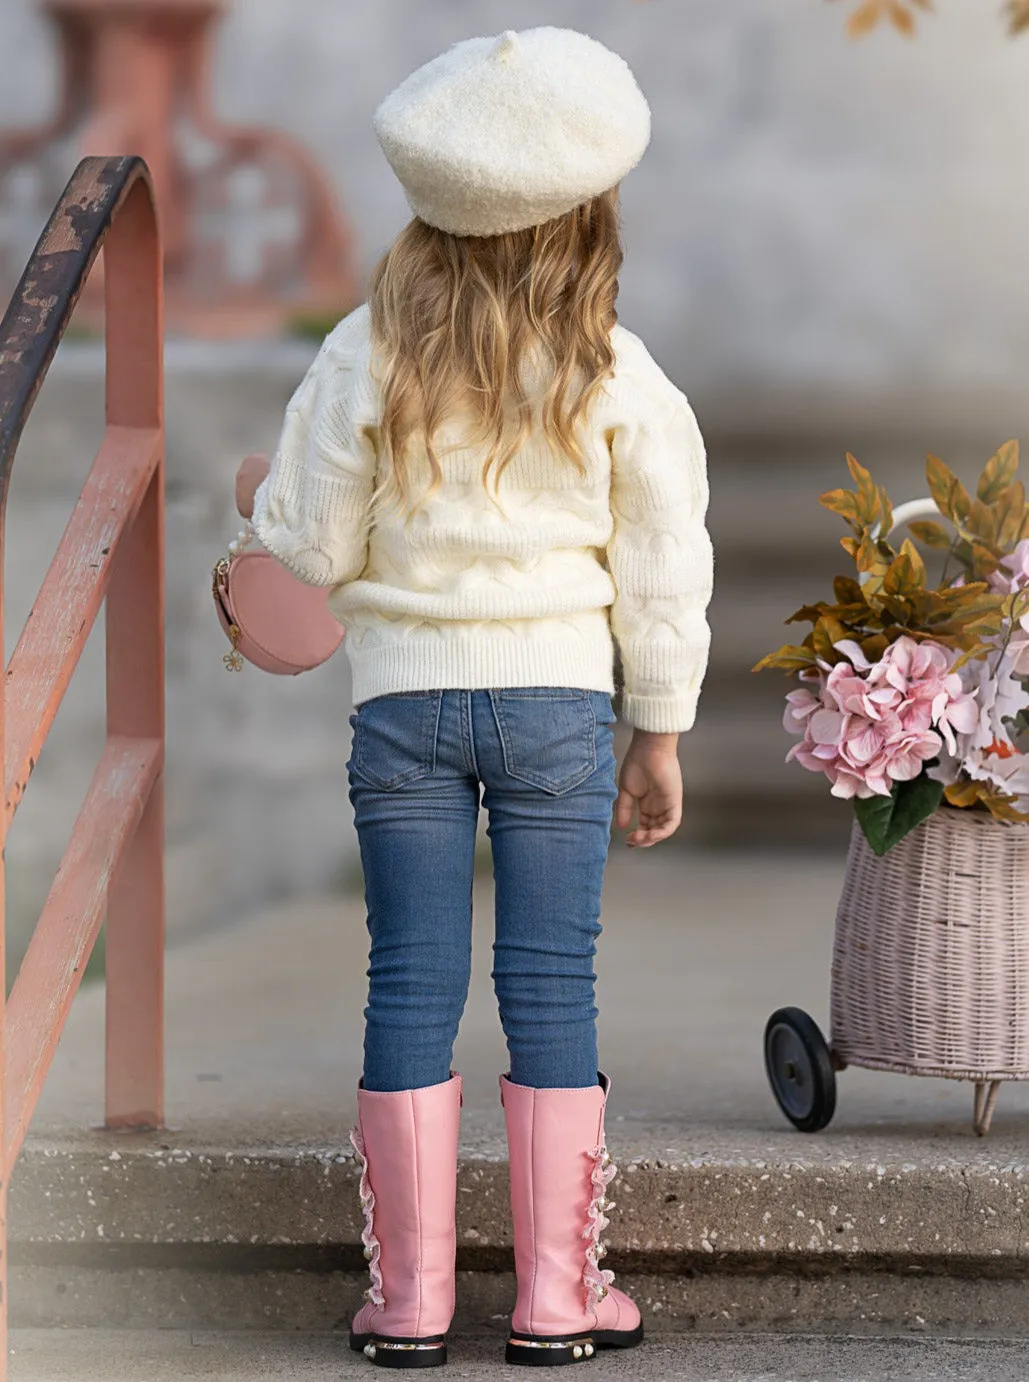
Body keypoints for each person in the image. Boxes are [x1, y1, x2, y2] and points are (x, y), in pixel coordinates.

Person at [234, 25, 714, 1370]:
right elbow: (664, 559)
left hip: (403, 711)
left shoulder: (361, 351)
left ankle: (410, 1301)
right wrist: (658, 726)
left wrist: (255, 504)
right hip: (560, 703)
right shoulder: (618, 368)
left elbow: (310, 545)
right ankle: (561, 1298)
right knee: (552, 982)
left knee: (412, 977)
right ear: (589, 211)